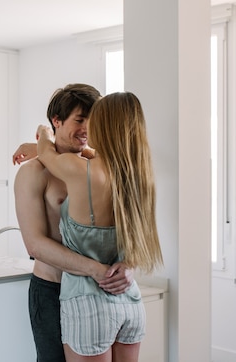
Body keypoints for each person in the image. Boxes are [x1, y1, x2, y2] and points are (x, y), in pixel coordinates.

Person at [34, 91, 164, 361]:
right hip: (130, 303)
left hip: (88, 307)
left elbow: (46, 153)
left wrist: (43, 132)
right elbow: (140, 241)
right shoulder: (140, 177)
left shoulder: (79, 169)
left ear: (102, 125)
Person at [13, 84, 134, 362]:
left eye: (93, 121)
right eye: (80, 120)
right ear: (57, 120)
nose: (87, 129)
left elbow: (130, 227)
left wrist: (128, 266)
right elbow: (35, 244)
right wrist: (96, 270)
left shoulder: (100, 166)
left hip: (100, 292)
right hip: (53, 291)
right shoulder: (33, 173)